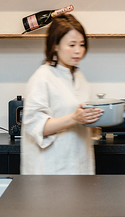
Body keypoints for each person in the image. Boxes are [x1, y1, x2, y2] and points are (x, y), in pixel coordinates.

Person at [20, 14, 102, 175]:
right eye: (71, 45)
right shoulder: (42, 77)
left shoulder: (79, 77)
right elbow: (36, 127)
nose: (78, 50)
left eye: (82, 44)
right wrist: (75, 118)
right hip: (52, 169)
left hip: (79, 165)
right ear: (55, 45)